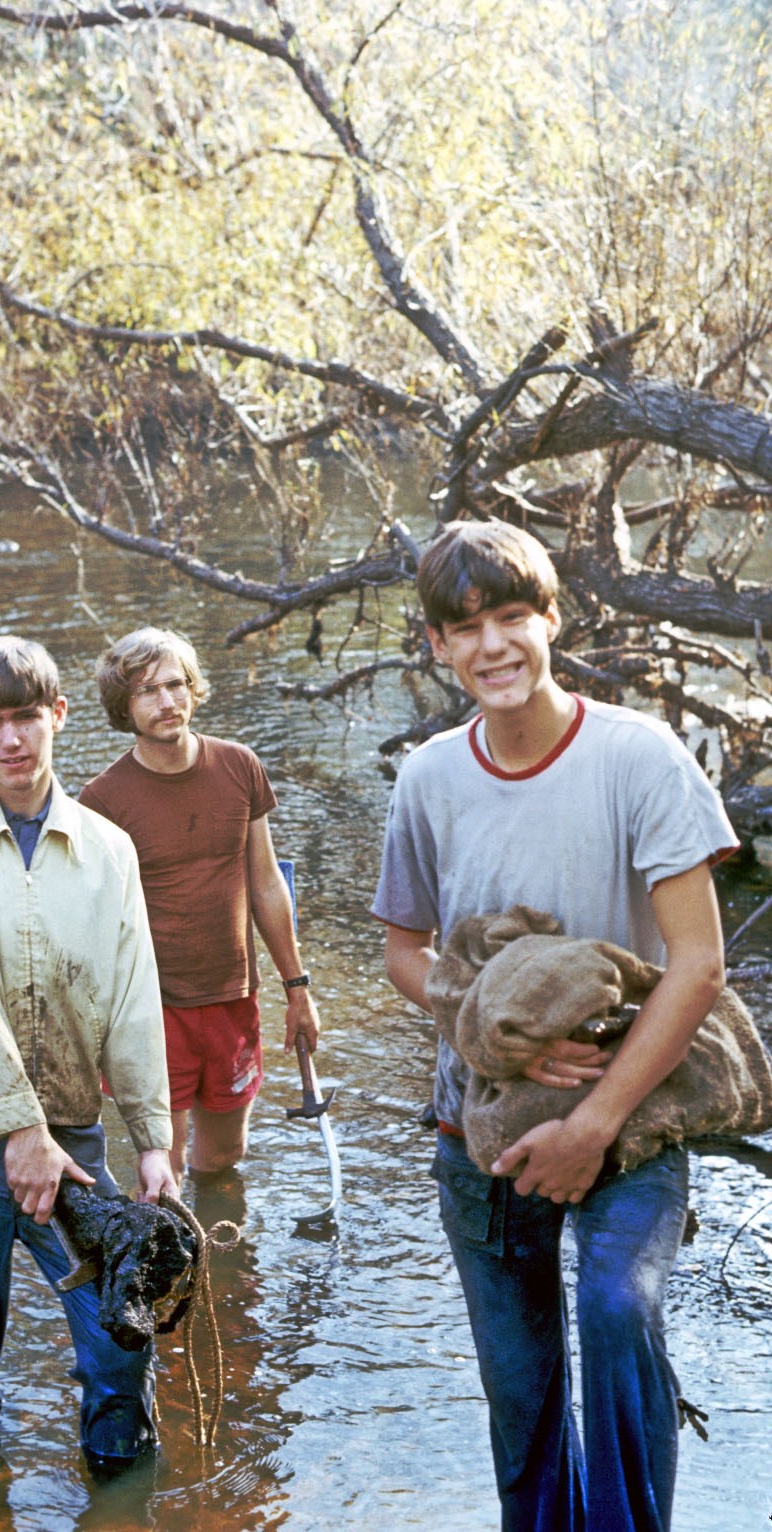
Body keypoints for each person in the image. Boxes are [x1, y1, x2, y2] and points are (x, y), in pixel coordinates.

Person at [371, 520, 737, 1532]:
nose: (492, 645)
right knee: (521, 1394)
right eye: (465, 627)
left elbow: (698, 963)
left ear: (550, 620)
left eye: (510, 616)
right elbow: (405, 950)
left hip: (631, 1113)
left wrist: (592, 1123)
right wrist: (499, 1035)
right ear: (437, 645)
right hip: (479, 1122)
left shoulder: (638, 756)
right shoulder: (429, 778)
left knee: (619, 1307)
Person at [0, 635, 177, 1475]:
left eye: (25, 717)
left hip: (70, 1139)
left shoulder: (108, 849)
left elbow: (133, 997)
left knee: (121, 1339)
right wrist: (18, 1128)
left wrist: (152, 1140)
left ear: (59, 715)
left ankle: (123, 1503)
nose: (11, 740)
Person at [80, 626, 320, 1186]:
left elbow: (266, 885)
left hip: (233, 998)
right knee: (161, 1169)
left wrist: (297, 990)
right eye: (147, 691)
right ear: (124, 706)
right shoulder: (101, 801)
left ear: (193, 689)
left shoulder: (239, 766)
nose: (166, 702)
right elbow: (93, 927)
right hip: (152, 1010)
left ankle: (222, 1241)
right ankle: (165, 1240)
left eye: (175, 684)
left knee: (223, 1158)